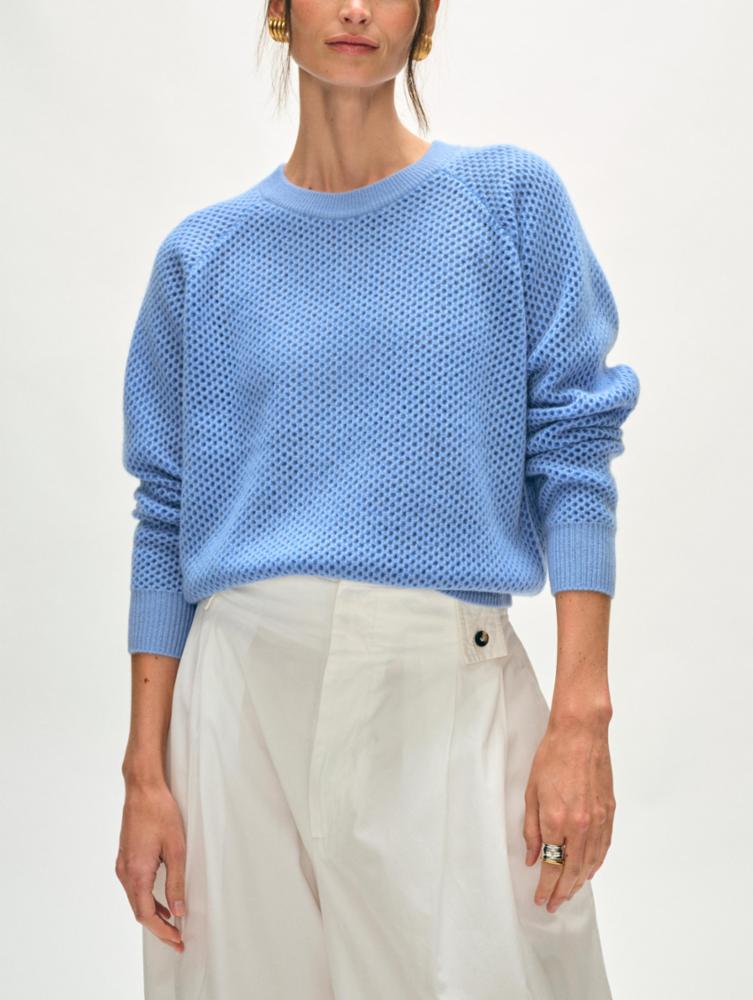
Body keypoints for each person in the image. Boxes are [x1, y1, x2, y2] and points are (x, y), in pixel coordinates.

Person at [115, 2, 640, 998]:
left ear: (426, 15)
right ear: (279, 9)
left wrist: (583, 715)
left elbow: (574, 447)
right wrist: (146, 774)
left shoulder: (508, 203)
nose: (356, 7)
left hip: (443, 686)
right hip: (236, 703)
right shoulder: (203, 257)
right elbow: (167, 515)